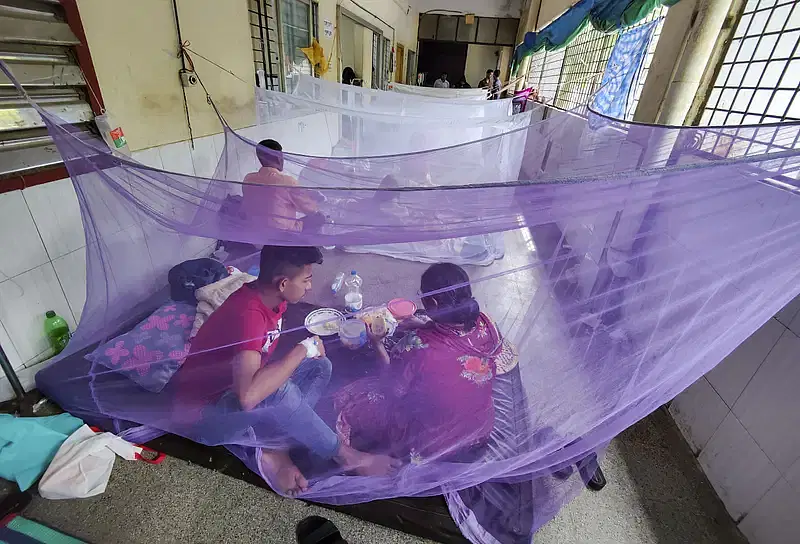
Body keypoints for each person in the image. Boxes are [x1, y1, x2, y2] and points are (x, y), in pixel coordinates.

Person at [173, 246, 399, 496]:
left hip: (232, 390)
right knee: (280, 389)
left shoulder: (270, 299)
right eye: (306, 280)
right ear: (283, 283)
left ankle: (275, 446)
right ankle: (346, 456)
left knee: (319, 366)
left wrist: (303, 353)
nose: (310, 287)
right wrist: (300, 350)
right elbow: (247, 398)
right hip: (205, 418)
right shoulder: (249, 316)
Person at [333, 263, 518, 465]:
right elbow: (457, 341)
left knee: (352, 402)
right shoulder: (486, 323)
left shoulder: (417, 346)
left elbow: (392, 389)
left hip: (433, 444)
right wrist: (427, 325)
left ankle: (349, 456)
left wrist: (377, 344)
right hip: (478, 433)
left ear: (435, 304)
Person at [242, 139, 321, 232]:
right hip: (283, 234)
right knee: (319, 218)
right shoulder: (287, 181)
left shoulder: (248, 179)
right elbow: (310, 209)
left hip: (257, 232)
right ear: (279, 158)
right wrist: (315, 200)